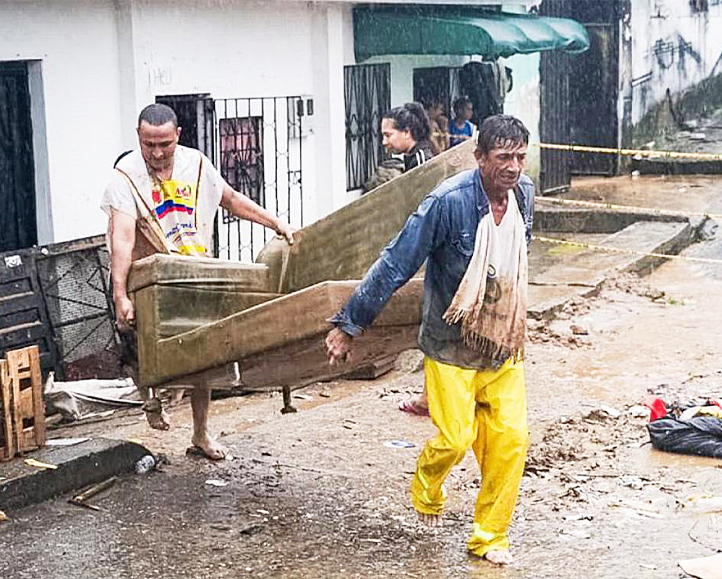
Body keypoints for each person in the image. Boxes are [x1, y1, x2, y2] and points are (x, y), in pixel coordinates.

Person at [325, 115, 534, 566]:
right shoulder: (447, 202)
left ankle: (489, 537)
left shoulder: (525, 195)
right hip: (450, 344)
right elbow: (396, 264)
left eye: (520, 157)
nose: (514, 168)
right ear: (479, 158)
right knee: (456, 440)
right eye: (503, 158)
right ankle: (426, 484)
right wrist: (349, 324)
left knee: (512, 440)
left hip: (502, 342)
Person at [102, 103, 296, 460]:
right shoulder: (125, 175)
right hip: (148, 277)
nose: (157, 154)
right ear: (138, 138)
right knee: (145, 351)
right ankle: (152, 400)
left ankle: (201, 434)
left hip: (192, 270)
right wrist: (120, 295)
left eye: (164, 144)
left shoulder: (198, 164)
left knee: (201, 355)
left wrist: (276, 223)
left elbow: (231, 199)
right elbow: (122, 238)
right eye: (148, 145)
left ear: (178, 136)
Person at [382, 103, 435, 172]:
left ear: (406, 132)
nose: (384, 142)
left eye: (388, 135)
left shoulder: (421, 160)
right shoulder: (411, 158)